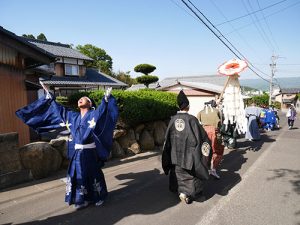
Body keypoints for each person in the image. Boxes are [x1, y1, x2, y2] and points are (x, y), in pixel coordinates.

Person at [16, 86, 118, 210]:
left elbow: (102, 112)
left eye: (84, 98)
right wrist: (50, 96)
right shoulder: (73, 116)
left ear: (90, 103)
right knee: (77, 175)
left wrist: (106, 100)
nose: (80, 99)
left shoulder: (93, 114)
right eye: (79, 98)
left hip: (90, 151)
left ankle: (99, 196)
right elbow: (60, 109)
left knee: (93, 174)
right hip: (77, 152)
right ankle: (82, 199)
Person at [162, 90, 212, 204]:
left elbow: (167, 139)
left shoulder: (172, 119)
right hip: (190, 157)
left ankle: (181, 192)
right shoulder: (192, 120)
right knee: (192, 176)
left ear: (178, 106)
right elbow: (202, 138)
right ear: (188, 106)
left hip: (175, 156)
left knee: (178, 174)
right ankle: (190, 194)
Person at [197, 100, 224, 179]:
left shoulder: (201, 112)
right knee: (217, 151)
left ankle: (206, 168)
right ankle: (213, 169)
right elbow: (221, 122)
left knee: (205, 151)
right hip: (214, 132)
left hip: (204, 132)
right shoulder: (216, 111)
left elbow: (198, 120)